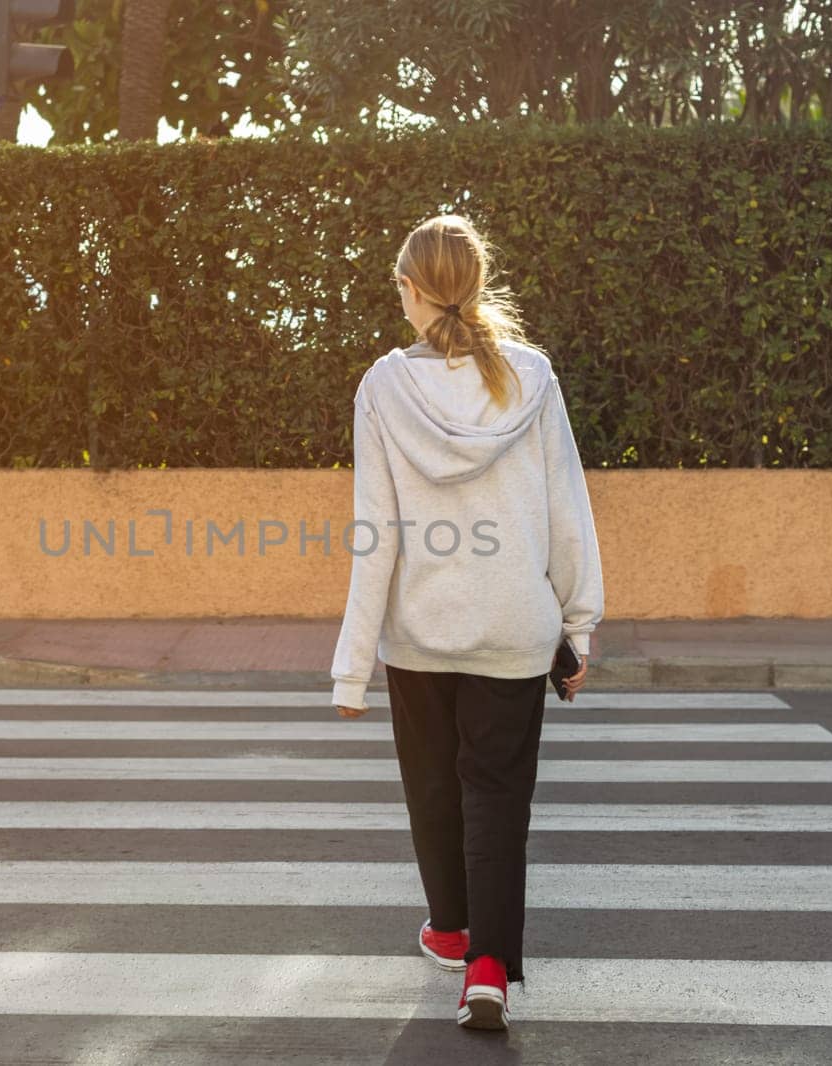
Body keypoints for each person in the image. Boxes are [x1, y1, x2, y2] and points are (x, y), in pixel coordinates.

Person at [329, 213, 604, 1031]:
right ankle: (486, 968)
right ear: (476, 286)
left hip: (421, 633)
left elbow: (373, 534)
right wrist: (577, 627)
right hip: (516, 628)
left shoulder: (382, 386)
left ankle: (449, 930)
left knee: (433, 788)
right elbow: (567, 511)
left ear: (411, 292)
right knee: (496, 796)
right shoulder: (533, 378)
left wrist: (352, 667)